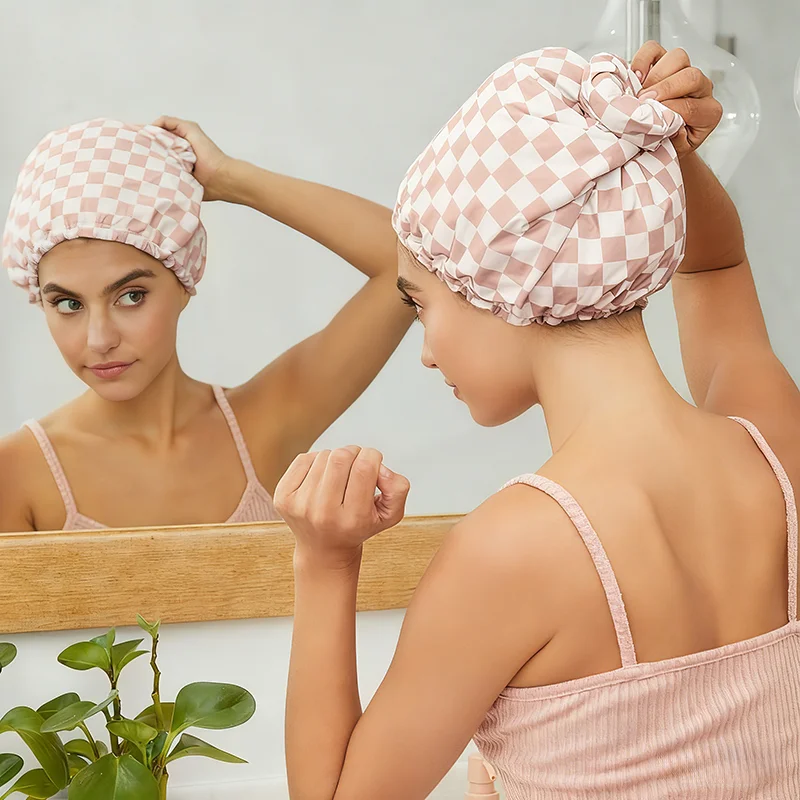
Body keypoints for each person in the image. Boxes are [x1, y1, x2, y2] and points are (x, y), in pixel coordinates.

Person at [274, 44, 800, 799]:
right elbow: (716, 265)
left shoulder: (512, 550)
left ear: (499, 285)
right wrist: (655, 148)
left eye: (421, 303)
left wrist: (324, 560)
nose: (426, 352)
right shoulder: (776, 447)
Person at [0, 117, 414, 531]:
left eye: (131, 296)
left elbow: (413, 262)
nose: (100, 339)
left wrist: (232, 179)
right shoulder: (16, 472)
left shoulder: (262, 426)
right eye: (69, 303)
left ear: (184, 280)